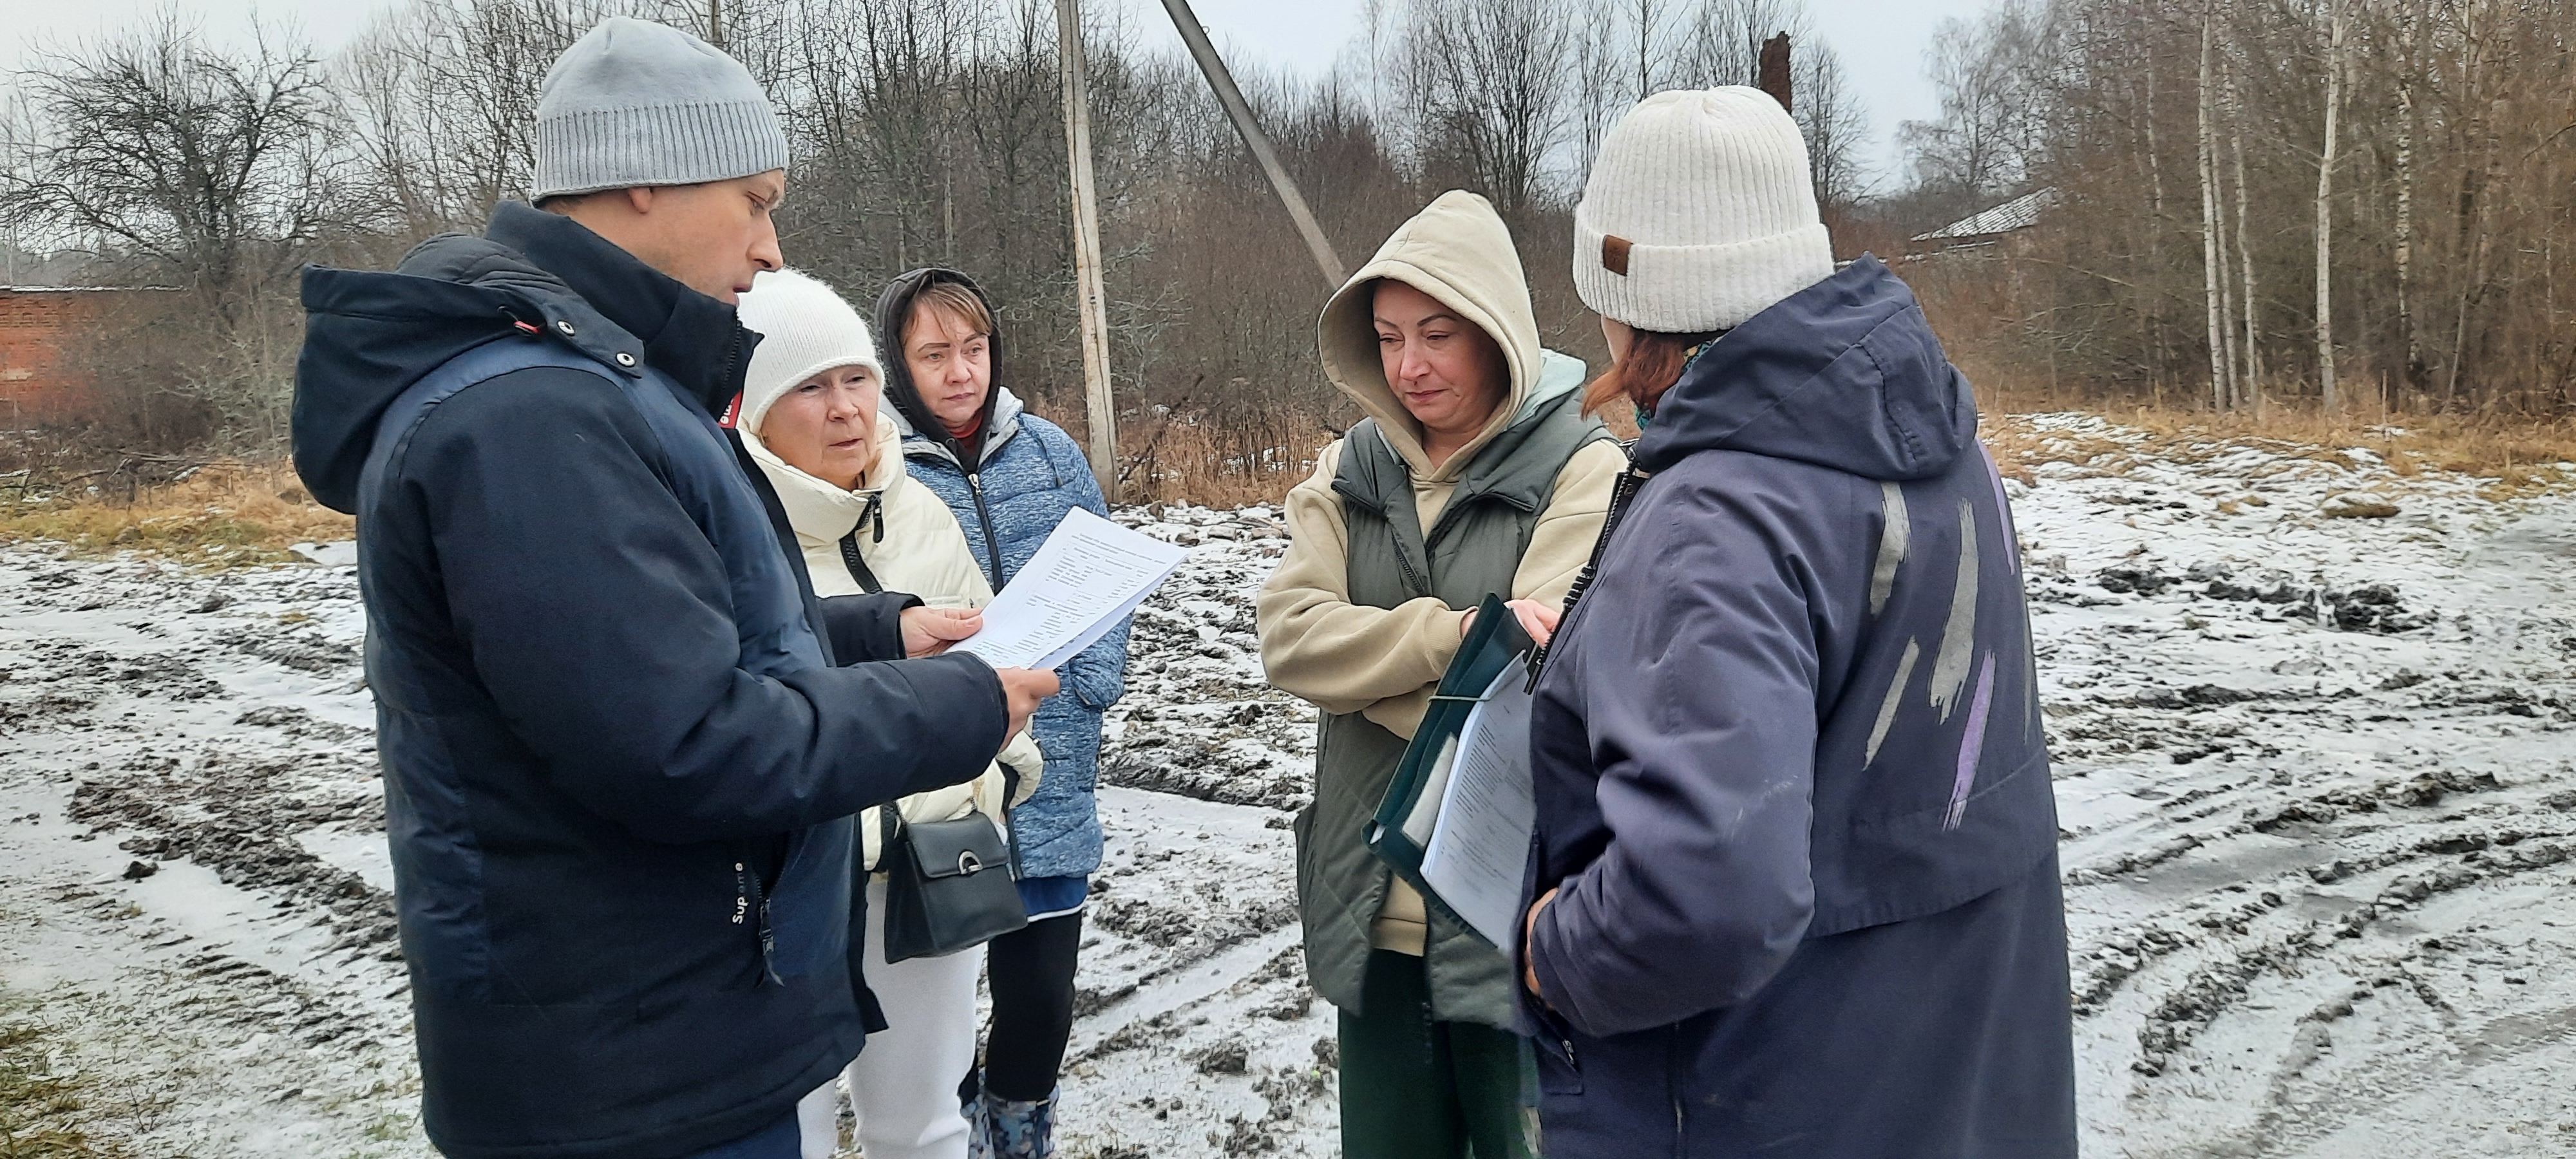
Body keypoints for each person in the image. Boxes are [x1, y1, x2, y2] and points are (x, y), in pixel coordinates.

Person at [289, 20, 1057, 1159]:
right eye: (753, 199)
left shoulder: (595, 382)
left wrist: (874, 629)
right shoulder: (534, 417)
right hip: (627, 1069)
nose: (769, 247)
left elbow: (660, 646)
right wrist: (962, 705)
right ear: (642, 178)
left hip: (663, 1026)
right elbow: (681, 741)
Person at [1515, 88, 2078, 1158]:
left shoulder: (1716, 512)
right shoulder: (1940, 448)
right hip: (1954, 1075)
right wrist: (1620, 670)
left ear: (1623, 291)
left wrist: (1558, 952)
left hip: (1760, 1092)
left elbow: (1706, 894)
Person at [1256, 189, 1623, 1159]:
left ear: (1498, 333)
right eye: (1386, 337)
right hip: (1370, 903)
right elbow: (1289, 639)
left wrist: (1364, 667)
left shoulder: (1584, 470)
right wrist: (1452, 636)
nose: (1409, 366)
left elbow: (1538, 681)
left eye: (1438, 334)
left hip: (1516, 908)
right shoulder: (1350, 468)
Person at [728, 269, 1048, 1159]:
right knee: (788, 1124)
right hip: (794, 884)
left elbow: (998, 658)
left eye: (856, 379)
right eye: (810, 387)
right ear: (755, 410)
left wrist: (997, 780)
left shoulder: (921, 515)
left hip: (929, 870)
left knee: (927, 1124)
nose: (845, 410)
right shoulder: (732, 529)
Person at [870, 269, 1130, 1157]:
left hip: (1054, 767)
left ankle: (1017, 1136)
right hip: (945, 780)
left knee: (1041, 999)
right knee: (937, 1007)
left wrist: (1092, 683)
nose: (960, 371)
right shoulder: (877, 469)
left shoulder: (1051, 454)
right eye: (934, 354)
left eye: (973, 349)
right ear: (899, 366)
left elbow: (1106, 574)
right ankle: (941, 1131)